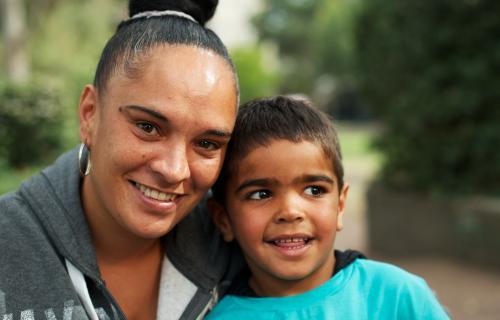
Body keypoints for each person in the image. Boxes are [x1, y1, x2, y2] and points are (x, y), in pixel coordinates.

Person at [0, 0, 242, 319]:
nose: (174, 170)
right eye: (147, 127)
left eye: (207, 143)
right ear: (90, 114)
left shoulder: (238, 247)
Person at [206, 96, 450, 319]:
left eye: (314, 190)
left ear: (340, 205)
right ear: (223, 219)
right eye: (261, 194)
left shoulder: (397, 296)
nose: (291, 211)